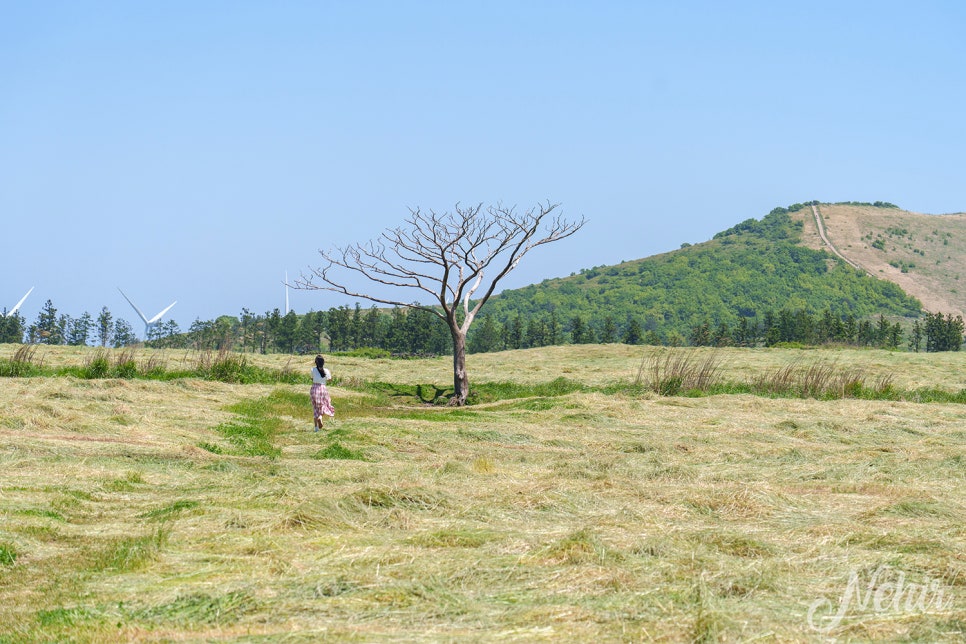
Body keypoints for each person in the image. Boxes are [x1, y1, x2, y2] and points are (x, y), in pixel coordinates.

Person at [310, 355, 335, 431]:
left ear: (315, 362)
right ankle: (320, 417)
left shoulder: (313, 369)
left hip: (314, 388)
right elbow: (330, 379)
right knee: (324, 405)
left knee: (315, 407)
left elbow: (312, 378)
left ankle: (316, 428)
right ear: (323, 362)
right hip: (322, 388)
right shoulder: (326, 370)